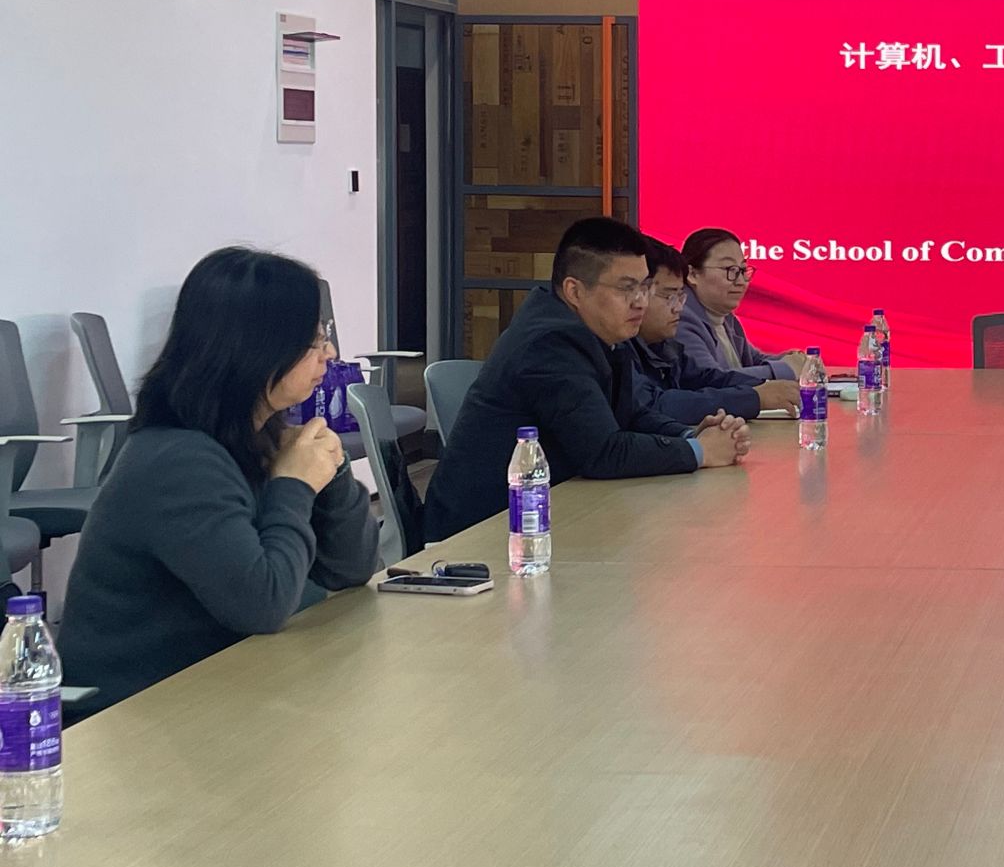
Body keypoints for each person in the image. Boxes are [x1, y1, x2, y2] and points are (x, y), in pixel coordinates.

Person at [59, 247, 380, 716]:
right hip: (128, 716)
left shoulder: (258, 435)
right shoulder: (177, 460)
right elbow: (263, 604)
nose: (329, 354)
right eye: (314, 340)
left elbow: (352, 569)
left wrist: (329, 471)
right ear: (258, 350)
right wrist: (294, 486)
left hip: (217, 685)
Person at [424, 217, 748, 542]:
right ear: (575, 291)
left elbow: (631, 413)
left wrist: (689, 434)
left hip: (546, 513)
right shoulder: (549, 343)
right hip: (483, 535)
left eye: (645, 287)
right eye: (626, 288)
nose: (640, 301)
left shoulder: (597, 330)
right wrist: (699, 452)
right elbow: (603, 453)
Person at [633, 239, 802, 422]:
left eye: (743, 271)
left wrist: (767, 387)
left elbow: (706, 378)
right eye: (668, 296)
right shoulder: (621, 349)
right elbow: (655, 405)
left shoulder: (666, 344)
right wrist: (756, 396)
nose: (678, 308)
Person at [674, 228, 804, 384]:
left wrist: (793, 360)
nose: (741, 282)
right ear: (692, 274)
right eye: (730, 269)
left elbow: (752, 360)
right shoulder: (679, 316)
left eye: (742, 270)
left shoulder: (725, 317)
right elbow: (711, 378)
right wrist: (787, 369)